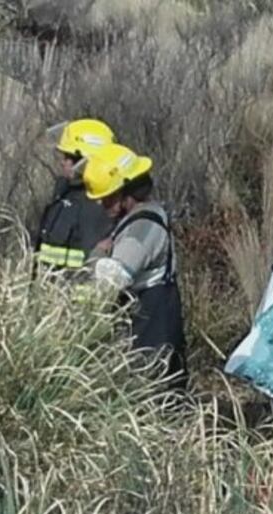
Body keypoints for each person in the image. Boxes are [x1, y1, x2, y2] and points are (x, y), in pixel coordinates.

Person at [82, 143, 189, 391]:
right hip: (150, 327)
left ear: (126, 192)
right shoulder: (140, 219)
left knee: (155, 400)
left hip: (149, 333)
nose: (101, 204)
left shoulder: (140, 230)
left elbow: (110, 282)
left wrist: (97, 255)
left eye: (107, 197)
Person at [32, 118, 116, 275]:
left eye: (69, 157)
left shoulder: (99, 206)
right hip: (50, 295)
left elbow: (91, 267)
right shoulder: (65, 196)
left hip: (76, 297)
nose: (63, 162)